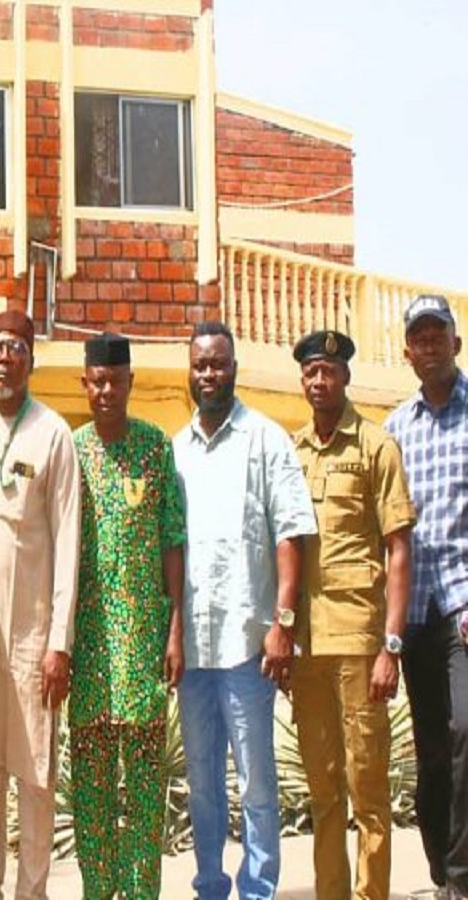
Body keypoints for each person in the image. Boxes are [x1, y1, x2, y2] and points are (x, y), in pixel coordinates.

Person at [172, 321, 316, 900]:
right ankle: (210, 886)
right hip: (194, 653)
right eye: (200, 364)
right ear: (190, 372)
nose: (209, 373)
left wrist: (283, 624)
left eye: (218, 363)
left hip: (248, 647)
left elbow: (291, 536)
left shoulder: (266, 440)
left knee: (256, 783)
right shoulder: (175, 451)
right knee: (203, 784)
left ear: (234, 368)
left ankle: (258, 890)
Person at [0, 309, 81, 900]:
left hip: (33, 640)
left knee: (35, 779)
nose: (5, 359)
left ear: (31, 360)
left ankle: (32, 892)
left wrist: (59, 644)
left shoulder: (53, 435)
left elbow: (68, 543)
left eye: (16, 349)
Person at [289, 330, 415, 900]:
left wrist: (392, 646)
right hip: (308, 647)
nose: (319, 381)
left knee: (367, 792)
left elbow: (399, 549)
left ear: (345, 377)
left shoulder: (375, 446)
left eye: (329, 372)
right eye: (311, 372)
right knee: (323, 791)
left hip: (361, 643)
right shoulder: (292, 452)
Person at [69, 333, 185, 900]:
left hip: (142, 645)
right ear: (85, 384)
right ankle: (97, 890)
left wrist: (175, 629)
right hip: (87, 645)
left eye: (115, 381)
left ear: (130, 382)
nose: (106, 391)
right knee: (90, 790)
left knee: (143, 787)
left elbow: (172, 540)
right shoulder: (70, 451)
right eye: (97, 382)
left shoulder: (155, 447)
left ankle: (141, 893)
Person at [385, 294, 468, 900]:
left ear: (456, 345)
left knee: (466, 729)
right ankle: (443, 869)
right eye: (420, 337)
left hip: (463, 605)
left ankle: (461, 878)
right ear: (408, 352)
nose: (430, 345)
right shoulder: (394, 430)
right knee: (432, 750)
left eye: (438, 335)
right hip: (412, 611)